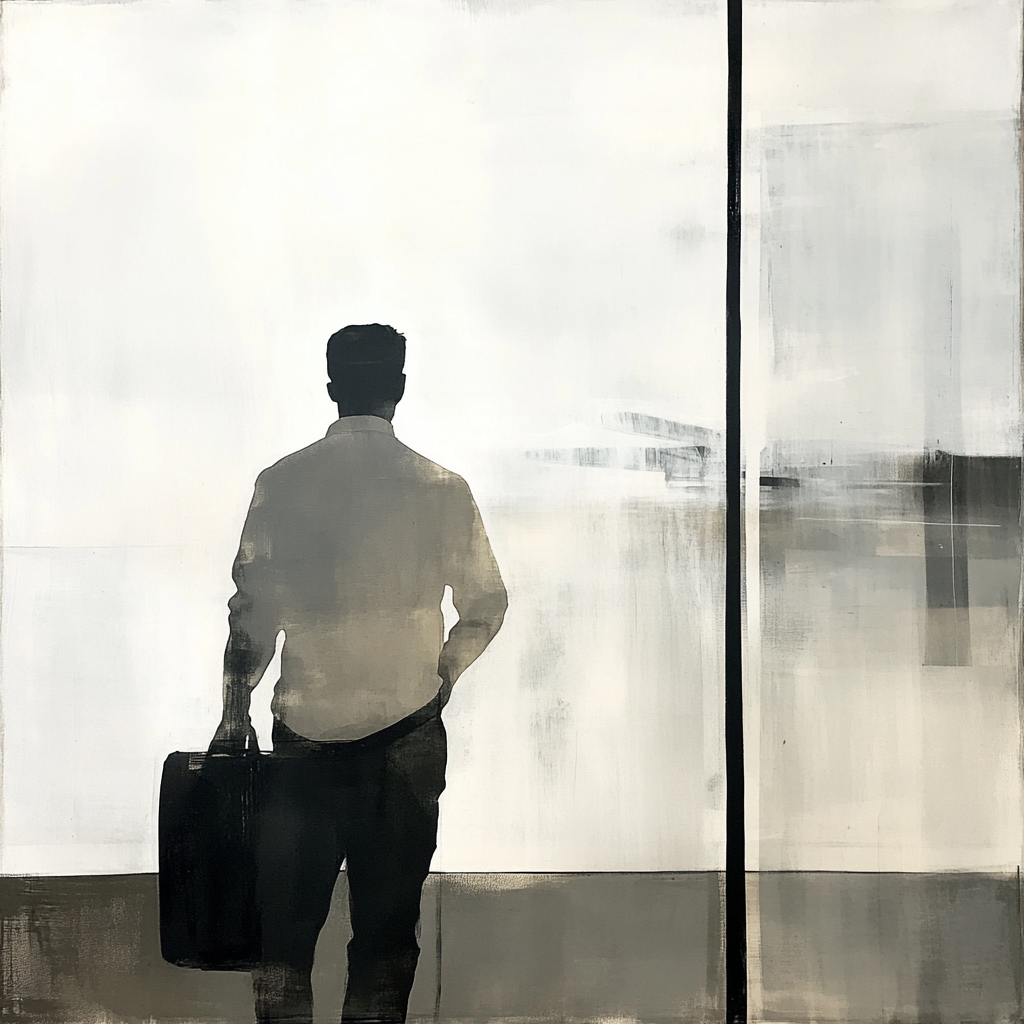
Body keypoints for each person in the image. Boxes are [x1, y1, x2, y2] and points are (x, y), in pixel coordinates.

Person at [209, 324, 508, 1024]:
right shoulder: (442, 489)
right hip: (405, 742)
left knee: (282, 941)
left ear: (332, 388)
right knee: (383, 940)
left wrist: (233, 712)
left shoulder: (281, 483)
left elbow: (253, 614)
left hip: (301, 746)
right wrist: (442, 677)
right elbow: (485, 605)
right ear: (399, 388)